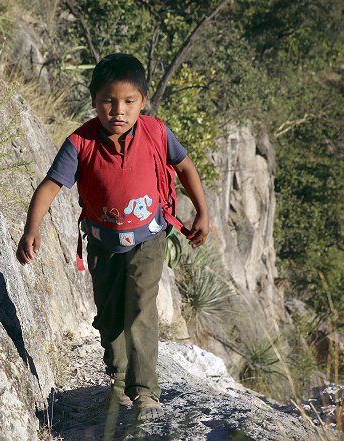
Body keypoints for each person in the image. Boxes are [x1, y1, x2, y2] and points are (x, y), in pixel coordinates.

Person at [16, 53, 209, 420]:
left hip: (148, 239)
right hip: (103, 245)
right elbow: (51, 185)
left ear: (143, 101)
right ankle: (118, 382)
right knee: (109, 315)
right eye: (108, 100)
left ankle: (145, 391)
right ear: (93, 100)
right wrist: (32, 228)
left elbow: (184, 167)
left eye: (129, 101)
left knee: (139, 307)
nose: (118, 110)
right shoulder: (81, 143)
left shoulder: (156, 132)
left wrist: (202, 211)